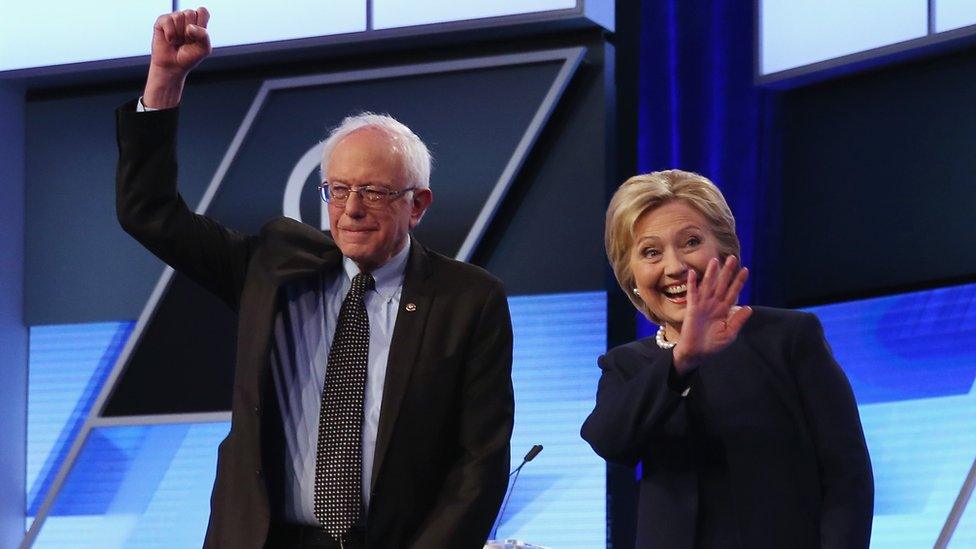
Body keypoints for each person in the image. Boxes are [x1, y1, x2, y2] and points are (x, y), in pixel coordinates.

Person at [116, 7, 514, 548]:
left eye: (373, 192)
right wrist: (165, 81)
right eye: (338, 190)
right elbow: (150, 213)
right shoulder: (275, 267)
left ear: (418, 204)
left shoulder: (467, 299)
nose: (350, 209)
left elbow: (479, 463)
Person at [580, 170, 873, 548]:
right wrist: (682, 358)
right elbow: (609, 440)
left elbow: (847, 476)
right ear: (631, 274)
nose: (674, 267)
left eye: (690, 242)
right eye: (651, 252)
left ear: (724, 250)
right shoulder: (626, 365)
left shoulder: (788, 338)